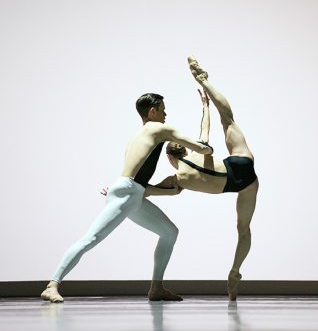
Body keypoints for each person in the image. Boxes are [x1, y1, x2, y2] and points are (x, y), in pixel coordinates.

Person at [40, 93, 213, 303]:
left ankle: (156, 288)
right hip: (129, 191)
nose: (166, 113)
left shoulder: (138, 136)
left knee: (169, 232)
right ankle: (52, 285)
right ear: (153, 111)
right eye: (163, 109)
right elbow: (203, 148)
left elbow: (139, 185)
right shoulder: (159, 129)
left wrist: (167, 191)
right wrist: (206, 121)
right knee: (91, 238)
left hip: (131, 192)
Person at [147, 57, 259, 301]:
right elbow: (205, 131)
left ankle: (235, 272)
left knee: (243, 230)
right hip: (243, 166)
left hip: (235, 186)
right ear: (185, 150)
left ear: (169, 156)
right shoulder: (198, 152)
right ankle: (205, 82)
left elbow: (148, 190)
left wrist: (120, 188)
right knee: (227, 118)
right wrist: (205, 106)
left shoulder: (176, 179)